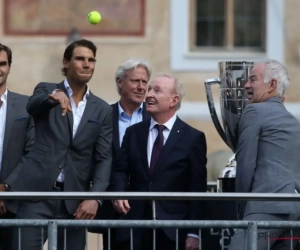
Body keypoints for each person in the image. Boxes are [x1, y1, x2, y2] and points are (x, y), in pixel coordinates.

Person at [11, 39, 113, 250]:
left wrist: (95, 198)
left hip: (74, 203)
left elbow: (104, 158)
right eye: (80, 59)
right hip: (36, 196)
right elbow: (33, 106)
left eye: (91, 60)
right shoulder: (47, 89)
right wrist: (53, 98)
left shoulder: (102, 109)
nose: (87, 64)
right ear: (66, 62)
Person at [110, 74, 207, 250]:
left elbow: (197, 189)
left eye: (157, 90)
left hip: (172, 231)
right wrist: (118, 192)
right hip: (134, 227)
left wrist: (194, 232)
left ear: (173, 100)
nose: (149, 95)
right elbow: (120, 170)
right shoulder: (134, 133)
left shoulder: (193, 138)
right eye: (150, 90)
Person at [229, 59, 300, 250]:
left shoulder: (254, 111)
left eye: (253, 79)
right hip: (294, 211)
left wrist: (244, 211)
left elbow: (245, 165)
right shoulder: (294, 123)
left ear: (272, 85)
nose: (246, 85)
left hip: (265, 208)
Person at [89, 58, 151, 249]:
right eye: (135, 81)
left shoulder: (155, 117)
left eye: (144, 82)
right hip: (113, 208)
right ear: (119, 82)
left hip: (148, 207)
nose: (141, 87)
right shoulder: (104, 116)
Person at [0, 44, 34, 250]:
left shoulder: (25, 106)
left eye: (2, 64)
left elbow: (31, 153)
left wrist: (4, 189)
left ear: (9, 67)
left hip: (12, 205)